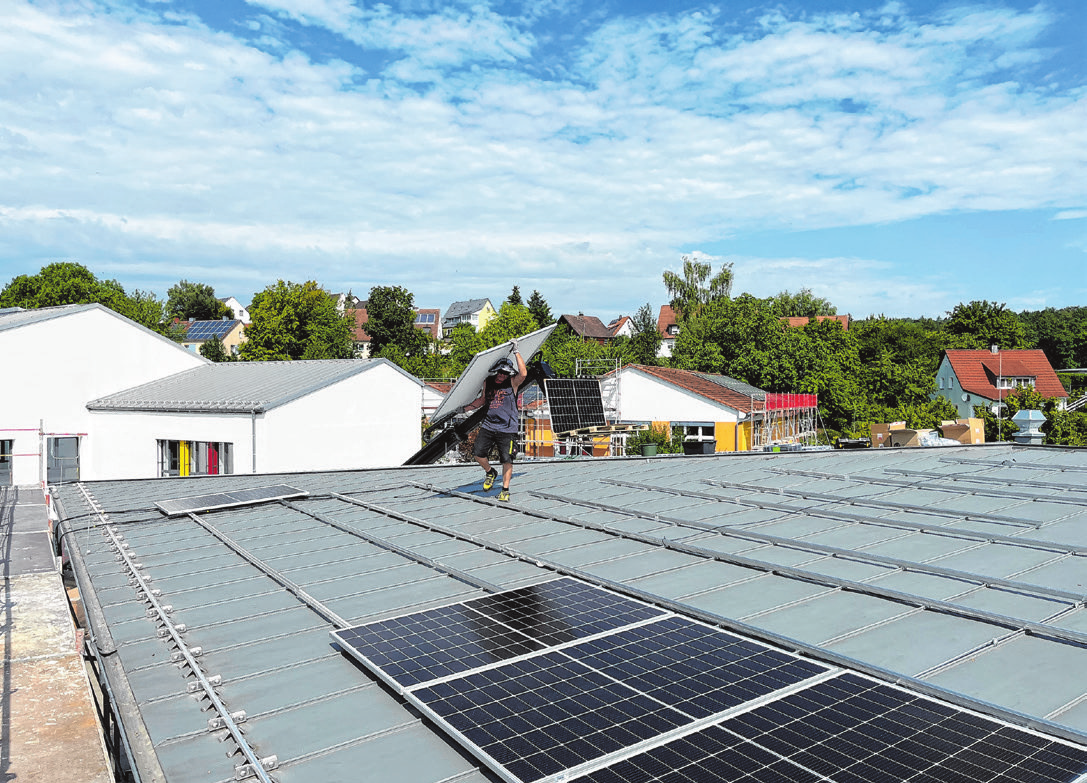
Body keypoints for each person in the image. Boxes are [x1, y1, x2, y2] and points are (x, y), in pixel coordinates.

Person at [466, 341, 527, 501]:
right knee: (478, 454)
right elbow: (483, 399)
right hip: (489, 425)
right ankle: (490, 472)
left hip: (507, 429)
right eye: (500, 372)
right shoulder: (489, 381)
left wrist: (516, 351)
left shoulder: (512, 382)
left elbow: (524, 374)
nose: (502, 375)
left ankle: (505, 490)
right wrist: (465, 408)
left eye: (505, 373)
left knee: (507, 459)